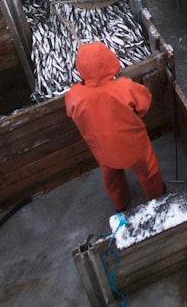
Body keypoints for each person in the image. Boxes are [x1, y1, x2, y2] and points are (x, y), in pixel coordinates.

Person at [65, 41, 164, 211]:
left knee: (111, 179)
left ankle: (121, 204)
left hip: (103, 151)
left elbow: (72, 114)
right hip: (134, 145)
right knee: (149, 171)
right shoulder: (124, 87)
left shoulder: (74, 96)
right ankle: (157, 199)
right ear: (110, 60)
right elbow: (144, 104)